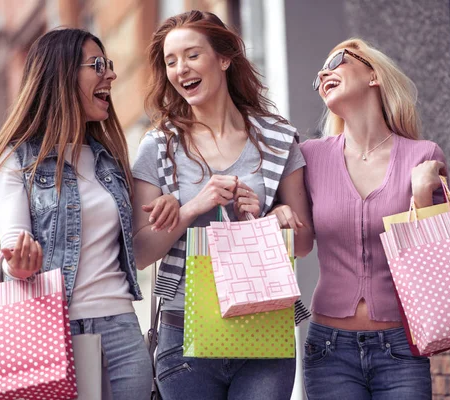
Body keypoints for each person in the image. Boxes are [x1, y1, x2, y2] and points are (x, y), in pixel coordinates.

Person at [0, 28, 179, 399]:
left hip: (120, 327)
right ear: (61, 75)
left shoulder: (109, 159)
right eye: (97, 65)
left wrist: (171, 209)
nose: (111, 76)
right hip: (47, 329)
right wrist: (19, 265)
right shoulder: (16, 159)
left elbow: (134, 247)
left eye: (110, 65)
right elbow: (13, 243)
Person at [131, 10, 313, 400]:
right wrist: (191, 207)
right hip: (184, 336)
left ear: (224, 58)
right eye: (171, 61)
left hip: (263, 327)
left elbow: (305, 241)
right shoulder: (158, 147)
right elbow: (141, 253)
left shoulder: (278, 140)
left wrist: (273, 220)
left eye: (192, 55)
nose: (181, 69)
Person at [301, 38, 447, 400]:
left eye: (336, 60)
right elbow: (299, 243)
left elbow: (434, 259)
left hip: (401, 346)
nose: (323, 73)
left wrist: (422, 193)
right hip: (329, 349)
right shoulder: (310, 157)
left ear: (373, 75)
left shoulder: (422, 155)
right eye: (319, 73)